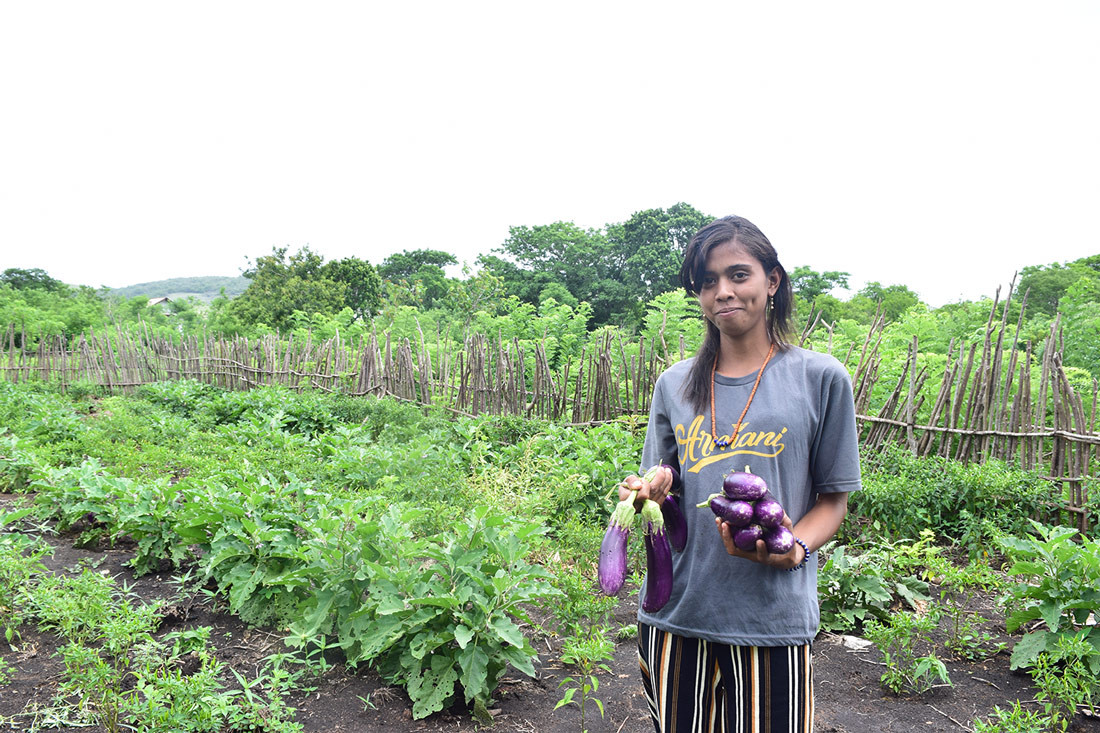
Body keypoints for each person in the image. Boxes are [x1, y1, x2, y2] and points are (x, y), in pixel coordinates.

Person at [619, 215, 861, 733]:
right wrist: (649, 492)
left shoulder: (820, 379)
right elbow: (663, 486)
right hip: (678, 612)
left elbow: (833, 500)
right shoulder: (675, 383)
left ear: (772, 281)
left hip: (771, 618)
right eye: (708, 282)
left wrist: (794, 548)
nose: (722, 292)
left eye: (738, 275)